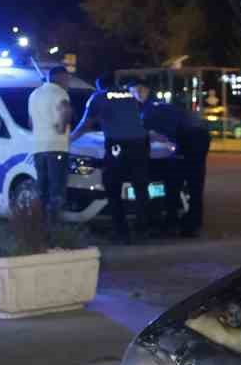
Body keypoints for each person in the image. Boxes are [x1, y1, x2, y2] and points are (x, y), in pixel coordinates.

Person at [76, 81, 154, 243]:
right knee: (140, 188)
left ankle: (121, 231)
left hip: (118, 145)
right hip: (140, 144)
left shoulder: (99, 96)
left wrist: (70, 138)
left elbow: (86, 123)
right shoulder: (130, 95)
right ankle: (142, 230)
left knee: (112, 185)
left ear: (99, 85)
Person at [142, 83, 211, 237]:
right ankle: (193, 221)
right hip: (200, 137)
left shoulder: (148, 111)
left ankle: (173, 222)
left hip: (189, 139)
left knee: (173, 183)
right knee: (195, 184)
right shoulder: (163, 106)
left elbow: (153, 136)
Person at [27, 66, 73, 220]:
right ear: (60, 78)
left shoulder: (34, 94)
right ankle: (54, 226)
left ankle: (39, 224)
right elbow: (65, 110)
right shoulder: (59, 92)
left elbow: (31, 122)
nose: (68, 82)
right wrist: (61, 127)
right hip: (57, 146)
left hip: (38, 147)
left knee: (42, 188)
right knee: (57, 190)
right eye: (67, 78)